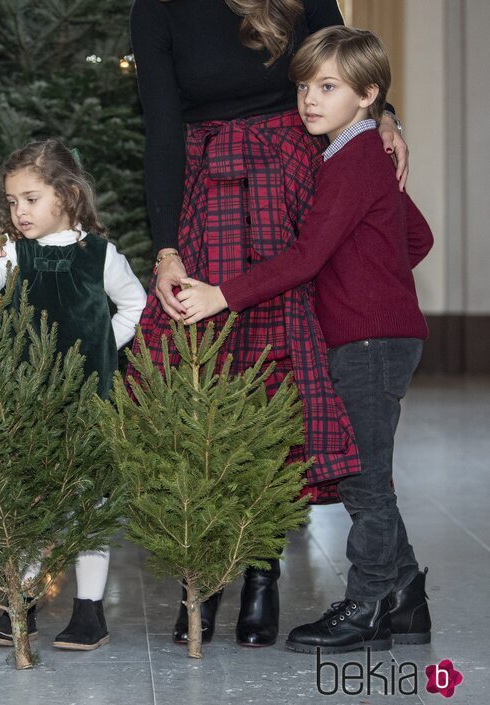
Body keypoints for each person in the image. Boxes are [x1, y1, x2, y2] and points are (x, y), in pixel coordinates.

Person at [129, 0, 410, 649]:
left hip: (292, 187)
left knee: (279, 387)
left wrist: (387, 119)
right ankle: (206, 573)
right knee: (204, 382)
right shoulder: (157, 9)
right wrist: (167, 245)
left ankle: (262, 570)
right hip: (211, 195)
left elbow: (345, 59)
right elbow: (161, 125)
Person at [0, 139, 147, 651]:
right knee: (28, 500)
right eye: (12, 202)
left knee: (90, 504)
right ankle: (18, 603)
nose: (18, 211)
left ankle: (90, 612)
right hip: (28, 401)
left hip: (89, 398)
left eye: (30, 199)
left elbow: (136, 305)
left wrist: (102, 344)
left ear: (67, 195)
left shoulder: (100, 254)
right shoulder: (12, 253)